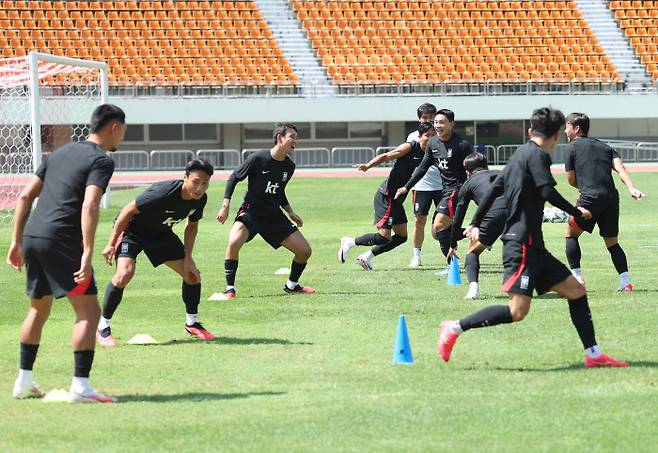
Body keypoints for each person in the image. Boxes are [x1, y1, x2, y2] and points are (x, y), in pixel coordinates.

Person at [437, 107, 629, 368]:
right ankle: (454, 328)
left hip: (532, 244)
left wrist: (473, 222)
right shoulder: (538, 155)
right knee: (517, 311)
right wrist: (576, 211)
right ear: (557, 135)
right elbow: (547, 190)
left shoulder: (521, 153)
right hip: (521, 244)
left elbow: (495, 188)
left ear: (531, 131)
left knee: (575, 290)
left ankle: (593, 355)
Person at [6, 104, 126, 402]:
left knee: (38, 309)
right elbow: (90, 205)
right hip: (62, 240)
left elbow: (24, 195)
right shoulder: (101, 160)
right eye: (123, 130)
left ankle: (23, 382)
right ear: (114, 127)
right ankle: (81, 387)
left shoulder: (59, 153)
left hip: (34, 236)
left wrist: (16, 241)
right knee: (89, 311)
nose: (122, 136)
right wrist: (87, 251)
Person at [96, 159, 217, 348]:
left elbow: (192, 225)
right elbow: (128, 210)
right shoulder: (164, 192)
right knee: (124, 274)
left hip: (160, 234)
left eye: (205, 183)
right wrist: (111, 244)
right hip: (132, 232)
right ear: (185, 178)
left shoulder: (200, 199)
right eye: (195, 181)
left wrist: (188, 258)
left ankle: (192, 323)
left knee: (192, 275)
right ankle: (103, 326)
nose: (200, 187)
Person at [217, 123, 314, 299]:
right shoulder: (258, 158)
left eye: (297, 137)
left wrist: (290, 211)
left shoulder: (289, 167)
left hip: (273, 216)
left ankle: (292, 285)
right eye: (292, 136)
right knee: (234, 241)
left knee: (305, 251)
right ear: (280, 138)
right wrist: (225, 205)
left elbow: (279, 190)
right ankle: (230, 288)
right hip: (251, 211)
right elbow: (234, 177)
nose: (296, 141)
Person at [563, 112, 645, 292]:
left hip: (589, 197)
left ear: (576, 128)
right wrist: (632, 188)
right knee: (612, 242)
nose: (565, 130)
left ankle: (576, 279)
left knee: (570, 234)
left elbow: (570, 179)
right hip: (611, 198)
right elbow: (620, 168)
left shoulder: (570, 148)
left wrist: (586, 190)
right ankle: (626, 282)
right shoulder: (605, 147)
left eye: (567, 126)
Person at [338, 122, 436, 270]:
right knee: (383, 237)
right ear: (420, 136)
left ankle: (366, 257)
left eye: (434, 135)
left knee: (401, 236)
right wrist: (368, 165)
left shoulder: (431, 154)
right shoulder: (410, 147)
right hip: (387, 196)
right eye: (428, 135)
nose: (431, 138)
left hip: (397, 200)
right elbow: (386, 156)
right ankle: (350, 242)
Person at [395, 109, 472, 274]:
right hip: (446, 190)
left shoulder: (462, 145)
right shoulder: (433, 143)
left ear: (452, 124)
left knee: (438, 226)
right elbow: (422, 167)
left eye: (442, 122)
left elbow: (476, 167)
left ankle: (453, 266)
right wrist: (407, 186)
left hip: (458, 190)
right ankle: (476, 232)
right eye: (436, 122)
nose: (438, 125)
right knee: (437, 233)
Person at [446, 152, 506, 300]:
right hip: (520, 212)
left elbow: (457, 219)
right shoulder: (501, 173)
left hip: (494, 214)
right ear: (487, 166)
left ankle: (473, 289)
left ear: (467, 172)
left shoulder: (468, 183)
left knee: (472, 251)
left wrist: (452, 244)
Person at [406, 103, 443, 267]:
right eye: (424, 117)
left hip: (443, 185)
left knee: (442, 226)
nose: (428, 120)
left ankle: (454, 254)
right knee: (419, 222)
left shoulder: (443, 134)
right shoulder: (413, 137)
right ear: (419, 119)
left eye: (431, 117)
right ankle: (417, 256)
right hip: (421, 186)